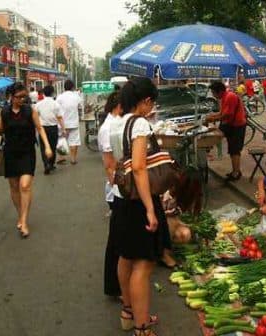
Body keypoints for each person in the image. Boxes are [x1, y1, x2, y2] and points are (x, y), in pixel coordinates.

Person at [110, 78, 168, 336]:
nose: (151, 107)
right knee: (143, 264)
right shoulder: (140, 123)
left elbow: (116, 164)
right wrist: (150, 208)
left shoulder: (115, 123)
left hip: (120, 198)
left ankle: (128, 312)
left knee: (125, 257)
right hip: (136, 200)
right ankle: (142, 327)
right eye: (151, 102)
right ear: (145, 101)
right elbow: (140, 167)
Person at [0, 82, 53, 238]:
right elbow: (0, 129)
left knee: (25, 185)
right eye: (19, 97)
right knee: (14, 187)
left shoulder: (30, 111)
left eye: (24, 96)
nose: (22, 99)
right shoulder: (4, 111)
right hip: (10, 153)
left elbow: (40, 128)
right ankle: (21, 214)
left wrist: (47, 146)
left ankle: (24, 221)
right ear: (11, 97)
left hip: (27, 152)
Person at [98, 90, 123, 298]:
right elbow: (109, 165)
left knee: (118, 240)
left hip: (119, 189)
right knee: (117, 242)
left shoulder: (116, 124)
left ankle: (116, 285)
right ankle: (115, 286)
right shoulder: (108, 128)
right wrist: (119, 186)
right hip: (117, 190)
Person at [208, 81, 247, 181]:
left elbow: (227, 114)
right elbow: (222, 113)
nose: (213, 95)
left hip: (237, 126)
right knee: (232, 150)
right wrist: (213, 116)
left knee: (234, 150)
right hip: (231, 125)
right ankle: (235, 171)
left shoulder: (230, 97)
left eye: (213, 93)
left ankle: (236, 173)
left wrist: (213, 119)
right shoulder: (225, 97)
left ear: (219, 91)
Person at [35, 85, 65, 174]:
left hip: (42, 129)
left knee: (44, 147)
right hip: (53, 128)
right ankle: (51, 164)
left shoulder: (38, 104)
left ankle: (46, 164)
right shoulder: (56, 104)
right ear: (53, 93)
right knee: (52, 146)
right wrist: (63, 128)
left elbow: (36, 116)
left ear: (43, 93)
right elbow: (59, 117)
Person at [56, 79, 83, 165]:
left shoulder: (59, 97)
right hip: (74, 123)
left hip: (63, 123)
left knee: (61, 140)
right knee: (74, 141)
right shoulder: (76, 96)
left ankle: (61, 157)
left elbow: (56, 109)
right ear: (72, 87)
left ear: (64, 87)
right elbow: (80, 106)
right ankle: (73, 159)